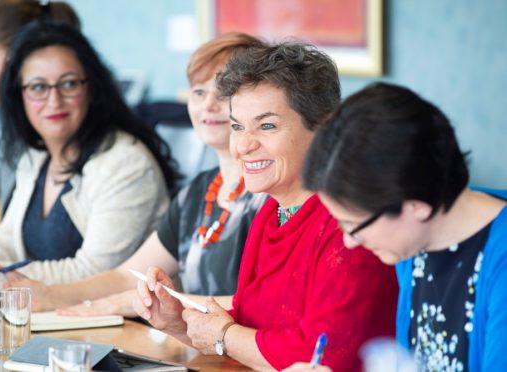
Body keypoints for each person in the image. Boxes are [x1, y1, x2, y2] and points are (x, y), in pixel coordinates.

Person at [132, 43, 398, 371]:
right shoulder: (271, 212)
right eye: (238, 127)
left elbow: (321, 359)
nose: (243, 146)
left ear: (324, 128)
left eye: (267, 126)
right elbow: (251, 333)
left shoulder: (349, 224)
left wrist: (226, 335)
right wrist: (177, 322)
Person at [2, 32, 268, 314]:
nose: (208, 105)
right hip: (197, 350)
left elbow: (262, 306)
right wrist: (51, 295)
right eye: (199, 92)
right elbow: (128, 276)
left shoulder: (272, 194)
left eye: (225, 93)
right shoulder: (198, 191)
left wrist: (121, 303)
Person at [0, 21, 176, 295]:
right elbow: (7, 243)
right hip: (49, 320)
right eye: (37, 87)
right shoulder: (35, 157)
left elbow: (93, 274)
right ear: (18, 96)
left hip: (121, 328)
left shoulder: (126, 164)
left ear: (91, 89)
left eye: (68, 84)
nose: (54, 100)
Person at [302, 82, 507, 371]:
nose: (349, 241)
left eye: (353, 225)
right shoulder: (414, 245)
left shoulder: (499, 262)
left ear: (416, 206)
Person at [0, 0, 80, 248]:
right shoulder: (21, 137)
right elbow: (17, 236)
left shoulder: (55, 141)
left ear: (22, 54)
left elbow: (44, 248)